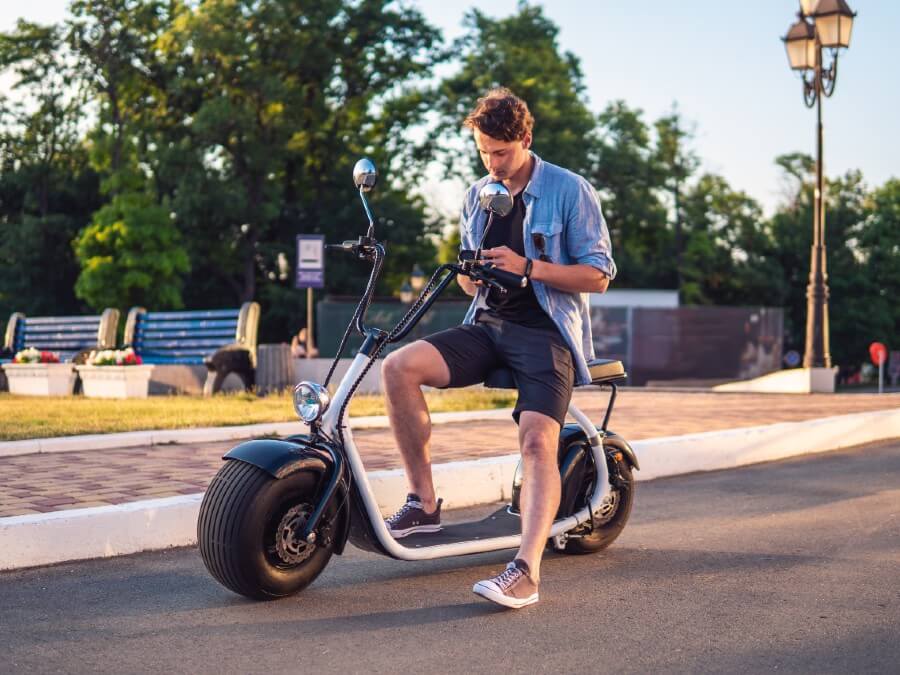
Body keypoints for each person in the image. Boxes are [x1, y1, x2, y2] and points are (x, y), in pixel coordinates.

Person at [380, 87, 616, 609]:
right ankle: (422, 503)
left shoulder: (569, 190)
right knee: (398, 367)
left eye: (501, 152)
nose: (492, 163)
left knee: (536, 442)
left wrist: (528, 268)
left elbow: (598, 275)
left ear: (525, 139)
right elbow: (470, 287)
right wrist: (474, 273)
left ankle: (526, 570)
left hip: (546, 333)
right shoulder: (476, 195)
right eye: (483, 151)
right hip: (488, 324)